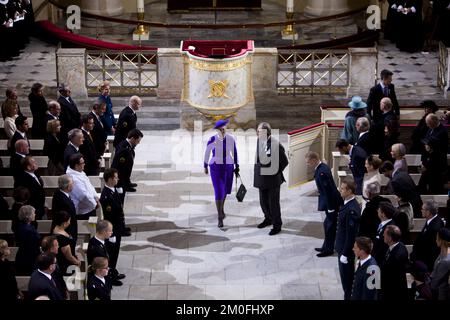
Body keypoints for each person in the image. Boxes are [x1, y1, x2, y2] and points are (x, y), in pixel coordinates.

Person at [254, 122, 288, 236]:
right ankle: (268, 219)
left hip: (272, 180)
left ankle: (277, 225)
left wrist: (274, 172)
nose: (257, 133)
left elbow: (284, 161)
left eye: (258, 131)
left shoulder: (275, 144)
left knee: (273, 204)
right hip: (261, 178)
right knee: (263, 202)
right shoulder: (259, 141)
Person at [305, 151, 342, 257]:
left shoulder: (322, 172)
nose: (308, 165)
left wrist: (330, 207)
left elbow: (328, 190)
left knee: (330, 226)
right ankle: (326, 246)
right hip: (329, 201)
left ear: (313, 159)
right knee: (327, 225)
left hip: (332, 203)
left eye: (308, 162)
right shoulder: (322, 167)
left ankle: (329, 249)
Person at [204, 119, 239, 228]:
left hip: (228, 167)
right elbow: (207, 153)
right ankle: (219, 216)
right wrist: (205, 166)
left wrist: (237, 166)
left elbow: (235, 153)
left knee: (225, 190)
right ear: (217, 130)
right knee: (219, 191)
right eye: (220, 128)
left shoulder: (231, 139)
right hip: (216, 168)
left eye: (224, 127)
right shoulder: (212, 139)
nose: (222, 130)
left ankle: (221, 209)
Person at [101, 168, 130, 282]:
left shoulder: (112, 190)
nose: (117, 179)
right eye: (115, 177)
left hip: (117, 227)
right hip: (112, 230)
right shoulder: (106, 196)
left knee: (116, 252)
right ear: (109, 179)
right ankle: (111, 275)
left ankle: (113, 271)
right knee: (112, 253)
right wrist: (111, 233)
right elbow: (110, 217)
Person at [335, 179, 361, 300]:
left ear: (349, 191)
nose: (340, 190)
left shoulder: (352, 209)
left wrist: (345, 253)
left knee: (347, 280)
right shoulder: (347, 203)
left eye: (343, 188)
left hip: (346, 250)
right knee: (344, 278)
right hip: (341, 246)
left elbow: (351, 235)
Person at [87, 220, 124, 286]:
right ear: (104, 232)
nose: (112, 232)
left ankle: (113, 275)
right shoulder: (96, 248)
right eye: (110, 231)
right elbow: (101, 266)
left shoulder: (102, 240)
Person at [410, 200, 445, 271]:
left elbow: (431, 250)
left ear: (428, 212)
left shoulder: (435, 227)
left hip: (427, 264)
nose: (421, 210)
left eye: (422, 209)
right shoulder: (432, 221)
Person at [66, 154, 100, 220]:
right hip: (83, 212)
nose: (84, 164)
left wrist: (96, 198)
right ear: (76, 165)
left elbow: (90, 186)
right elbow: (83, 195)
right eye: (82, 163)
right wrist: (94, 204)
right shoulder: (73, 178)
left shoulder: (80, 172)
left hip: (90, 207)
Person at [380, 225, 409, 300]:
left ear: (390, 238)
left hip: (393, 292)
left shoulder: (397, 255)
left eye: (385, 234)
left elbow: (390, 276)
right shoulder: (398, 245)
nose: (383, 235)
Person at [111, 129, 143, 193]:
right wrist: (120, 184)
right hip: (120, 179)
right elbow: (120, 168)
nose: (138, 143)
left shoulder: (128, 146)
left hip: (125, 175)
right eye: (138, 141)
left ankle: (127, 182)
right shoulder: (123, 149)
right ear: (132, 138)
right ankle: (125, 185)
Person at [40, 235, 69, 300]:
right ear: (51, 248)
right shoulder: (44, 263)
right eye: (56, 245)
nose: (58, 247)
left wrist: (64, 289)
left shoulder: (53, 258)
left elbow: (59, 276)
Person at [51, 210, 81, 275]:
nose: (69, 223)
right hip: (66, 266)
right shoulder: (61, 238)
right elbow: (68, 256)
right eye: (69, 221)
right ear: (64, 223)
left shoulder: (58, 228)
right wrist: (77, 262)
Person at [14, 205, 41, 275]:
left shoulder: (24, 226)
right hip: (28, 259)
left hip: (24, 256)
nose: (35, 214)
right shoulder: (27, 229)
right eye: (33, 213)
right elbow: (31, 246)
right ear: (28, 215)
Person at [52, 174, 77, 246]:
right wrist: (69, 235)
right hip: (66, 232)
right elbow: (63, 219)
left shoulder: (60, 194)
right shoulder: (62, 200)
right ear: (68, 186)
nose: (73, 185)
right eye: (72, 183)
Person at [430, 227, 450, 300]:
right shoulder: (442, 253)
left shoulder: (446, 261)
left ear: (441, 241)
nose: (435, 240)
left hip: (441, 294)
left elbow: (435, 283)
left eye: (437, 238)